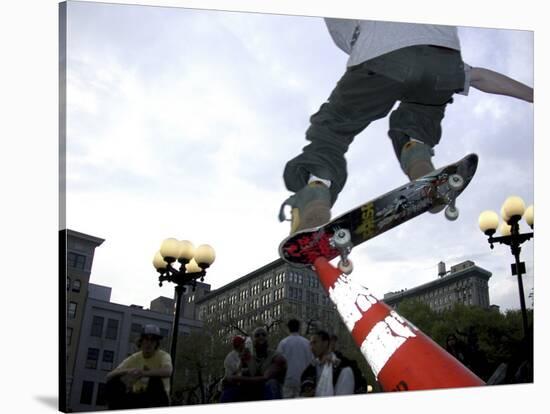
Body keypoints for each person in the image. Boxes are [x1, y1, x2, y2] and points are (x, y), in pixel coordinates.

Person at [279, 18, 534, 234]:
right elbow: (480, 76)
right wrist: (534, 95)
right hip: (442, 58)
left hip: (380, 54)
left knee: (332, 131)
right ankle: (416, 152)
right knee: (422, 112)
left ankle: (316, 190)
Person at [105, 324, 172, 409]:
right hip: (138, 398)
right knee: (113, 382)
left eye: (152, 341)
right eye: (146, 340)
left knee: (156, 379)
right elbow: (109, 375)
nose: (149, 344)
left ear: (156, 344)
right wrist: (128, 371)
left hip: (157, 399)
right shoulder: (134, 358)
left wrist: (142, 373)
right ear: (141, 341)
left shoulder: (163, 356)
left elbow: (168, 371)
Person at [223, 327, 287, 401]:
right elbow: (240, 374)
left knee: (272, 383)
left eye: (263, 334)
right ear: (253, 340)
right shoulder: (249, 357)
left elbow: (265, 378)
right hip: (254, 392)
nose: (261, 337)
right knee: (230, 391)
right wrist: (230, 379)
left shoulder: (276, 356)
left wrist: (235, 378)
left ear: (267, 338)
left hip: (269, 391)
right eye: (257, 335)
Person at [301, 330, 354, 397]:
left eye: (315, 343)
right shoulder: (311, 367)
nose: (312, 348)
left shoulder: (342, 368)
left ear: (325, 343)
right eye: (311, 344)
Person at [276, 319, 314, 398]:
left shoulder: (283, 343)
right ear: (299, 328)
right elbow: (312, 362)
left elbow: (277, 363)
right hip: (303, 381)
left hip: (287, 380)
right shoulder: (307, 343)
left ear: (288, 328)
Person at [219, 335, 251, 402]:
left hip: (241, 385)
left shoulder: (242, 354)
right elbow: (237, 370)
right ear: (239, 344)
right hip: (231, 386)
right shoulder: (231, 357)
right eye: (243, 343)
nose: (245, 344)